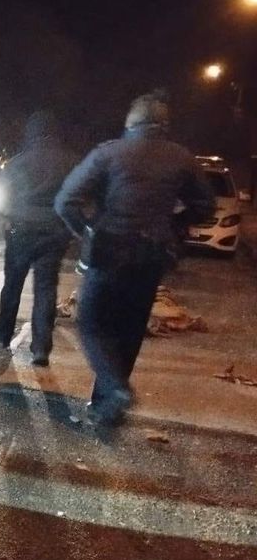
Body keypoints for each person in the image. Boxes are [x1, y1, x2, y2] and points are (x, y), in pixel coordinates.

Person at [55, 92, 215, 427]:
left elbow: (66, 200)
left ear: (131, 123)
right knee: (129, 330)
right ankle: (107, 407)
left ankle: (115, 388)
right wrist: (174, 225)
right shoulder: (181, 157)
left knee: (91, 323)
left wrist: (87, 231)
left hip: (109, 251)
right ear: (164, 125)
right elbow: (206, 206)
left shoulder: (109, 153)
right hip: (152, 256)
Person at [0, 111, 79, 366]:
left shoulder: (17, 163)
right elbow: (79, 197)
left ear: (31, 133)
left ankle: (3, 334)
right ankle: (41, 347)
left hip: (19, 230)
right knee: (46, 289)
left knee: (12, 283)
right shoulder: (70, 162)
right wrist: (78, 228)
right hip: (54, 232)